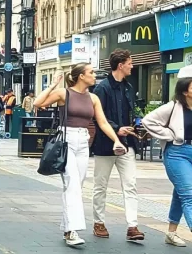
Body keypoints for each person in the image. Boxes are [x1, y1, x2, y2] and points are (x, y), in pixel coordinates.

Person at [33, 64, 127, 248]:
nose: (94, 75)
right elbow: (38, 103)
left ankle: (67, 227)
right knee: (73, 184)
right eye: (91, 73)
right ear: (81, 76)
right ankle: (72, 232)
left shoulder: (93, 98)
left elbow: (103, 122)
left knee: (77, 185)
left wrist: (116, 140)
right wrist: (53, 85)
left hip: (84, 142)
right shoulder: (64, 94)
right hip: (66, 140)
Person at [143, 77, 192, 252]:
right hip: (178, 153)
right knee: (189, 194)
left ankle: (171, 233)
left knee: (182, 192)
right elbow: (148, 121)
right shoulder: (172, 107)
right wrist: (169, 134)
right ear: (185, 92)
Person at [90, 49, 144, 241]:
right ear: (120, 65)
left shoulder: (128, 87)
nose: (132, 66)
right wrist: (116, 129)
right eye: (130, 63)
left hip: (126, 144)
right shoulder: (102, 88)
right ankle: (99, 222)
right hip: (105, 145)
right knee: (100, 185)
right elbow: (98, 117)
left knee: (130, 185)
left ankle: (132, 226)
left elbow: (132, 111)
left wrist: (137, 124)